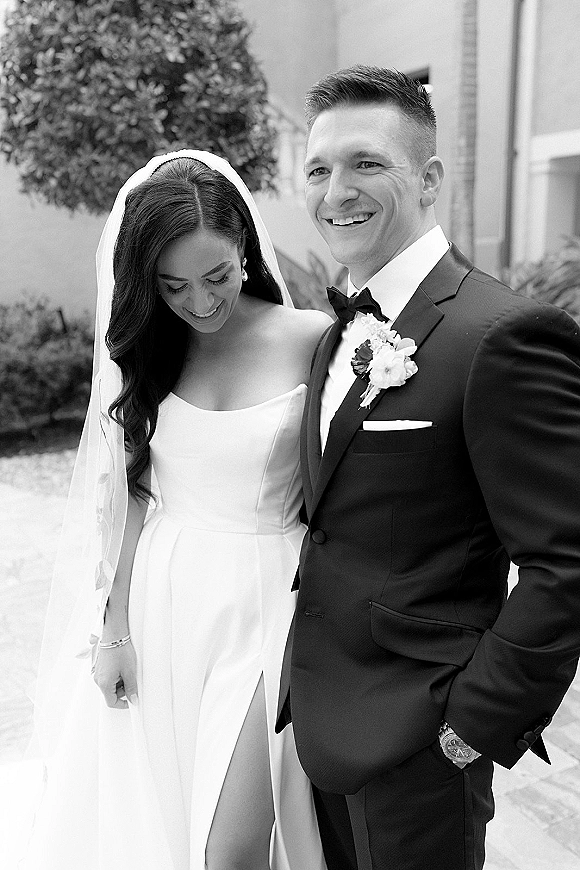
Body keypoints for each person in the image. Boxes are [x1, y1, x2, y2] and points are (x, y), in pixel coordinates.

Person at [276, 66, 580, 870]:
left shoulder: (502, 335)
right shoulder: (334, 333)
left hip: (420, 744)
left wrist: (470, 727)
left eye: (366, 163)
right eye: (318, 168)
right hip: (319, 726)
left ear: (430, 179)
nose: (336, 191)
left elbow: (566, 563)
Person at [24, 150, 331, 870]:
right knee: (163, 814)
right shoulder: (149, 353)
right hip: (163, 595)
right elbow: (133, 496)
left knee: (230, 849)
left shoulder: (312, 338)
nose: (200, 302)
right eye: (174, 286)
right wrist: (113, 628)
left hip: (269, 600)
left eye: (217, 275)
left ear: (244, 248)